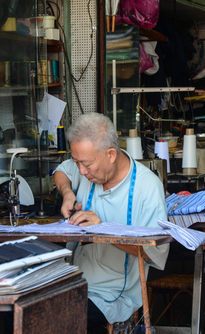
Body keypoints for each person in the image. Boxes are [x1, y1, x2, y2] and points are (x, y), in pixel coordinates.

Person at [54, 112, 169, 331]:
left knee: (67, 315)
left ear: (111, 154)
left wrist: (102, 229)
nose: (81, 171)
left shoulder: (147, 188)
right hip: (74, 280)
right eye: (77, 162)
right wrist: (68, 192)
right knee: (18, 307)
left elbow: (154, 251)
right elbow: (62, 171)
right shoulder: (85, 169)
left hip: (113, 292)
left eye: (86, 165)